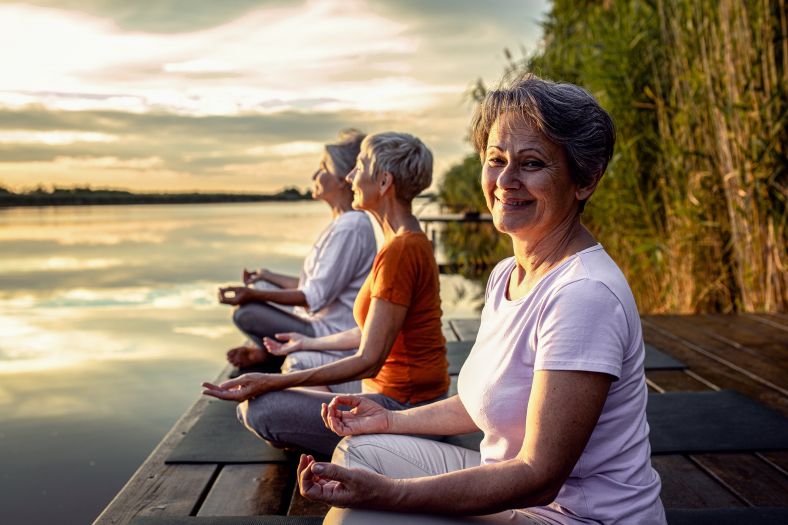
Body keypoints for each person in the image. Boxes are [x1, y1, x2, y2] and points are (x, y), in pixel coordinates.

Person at [296, 75, 667, 525]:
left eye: (531, 164)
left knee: (356, 518)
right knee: (359, 450)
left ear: (583, 180)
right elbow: (480, 401)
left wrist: (393, 494)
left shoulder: (584, 295)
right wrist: (388, 421)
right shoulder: (506, 274)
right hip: (519, 490)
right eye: (496, 160)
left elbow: (539, 477)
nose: (506, 181)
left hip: (571, 516)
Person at [203, 132, 450, 456]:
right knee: (289, 375)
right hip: (399, 401)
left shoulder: (401, 250)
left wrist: (272, 381)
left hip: (404, 411)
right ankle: (346, 441)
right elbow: (368, 332)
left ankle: (371, 450)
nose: (349, 177)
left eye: (358, 167)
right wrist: (307, 342)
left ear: (384, 181)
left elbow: (368, 361)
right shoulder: (400, 242)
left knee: (259, 408)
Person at [217, 130, 376, 391]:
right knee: (263, 288)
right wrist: (265, 276)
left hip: (330, 332)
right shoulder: (342, 223)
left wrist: (250, 296)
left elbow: (312, 297)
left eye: (322, 167)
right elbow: (310, 285)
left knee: (246, 312)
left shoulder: (351, 227)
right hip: (317, 317)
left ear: (341, 179)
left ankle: (271, 354)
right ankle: (270, 352)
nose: (314, 175)